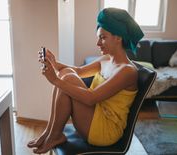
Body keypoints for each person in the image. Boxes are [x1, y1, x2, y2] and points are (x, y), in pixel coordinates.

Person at [27, 7, 144, 154]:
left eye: (102, 37)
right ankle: (50, 132)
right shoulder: (106, 59)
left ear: (118, 37)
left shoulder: (127, 71)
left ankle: (54, 135)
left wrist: (55, 80)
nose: (98, 43)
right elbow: (79, 71)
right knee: (68, 73)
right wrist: (54, 63)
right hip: (95, 116)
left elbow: (91, 98)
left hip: (106, 131)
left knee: (67, 77)